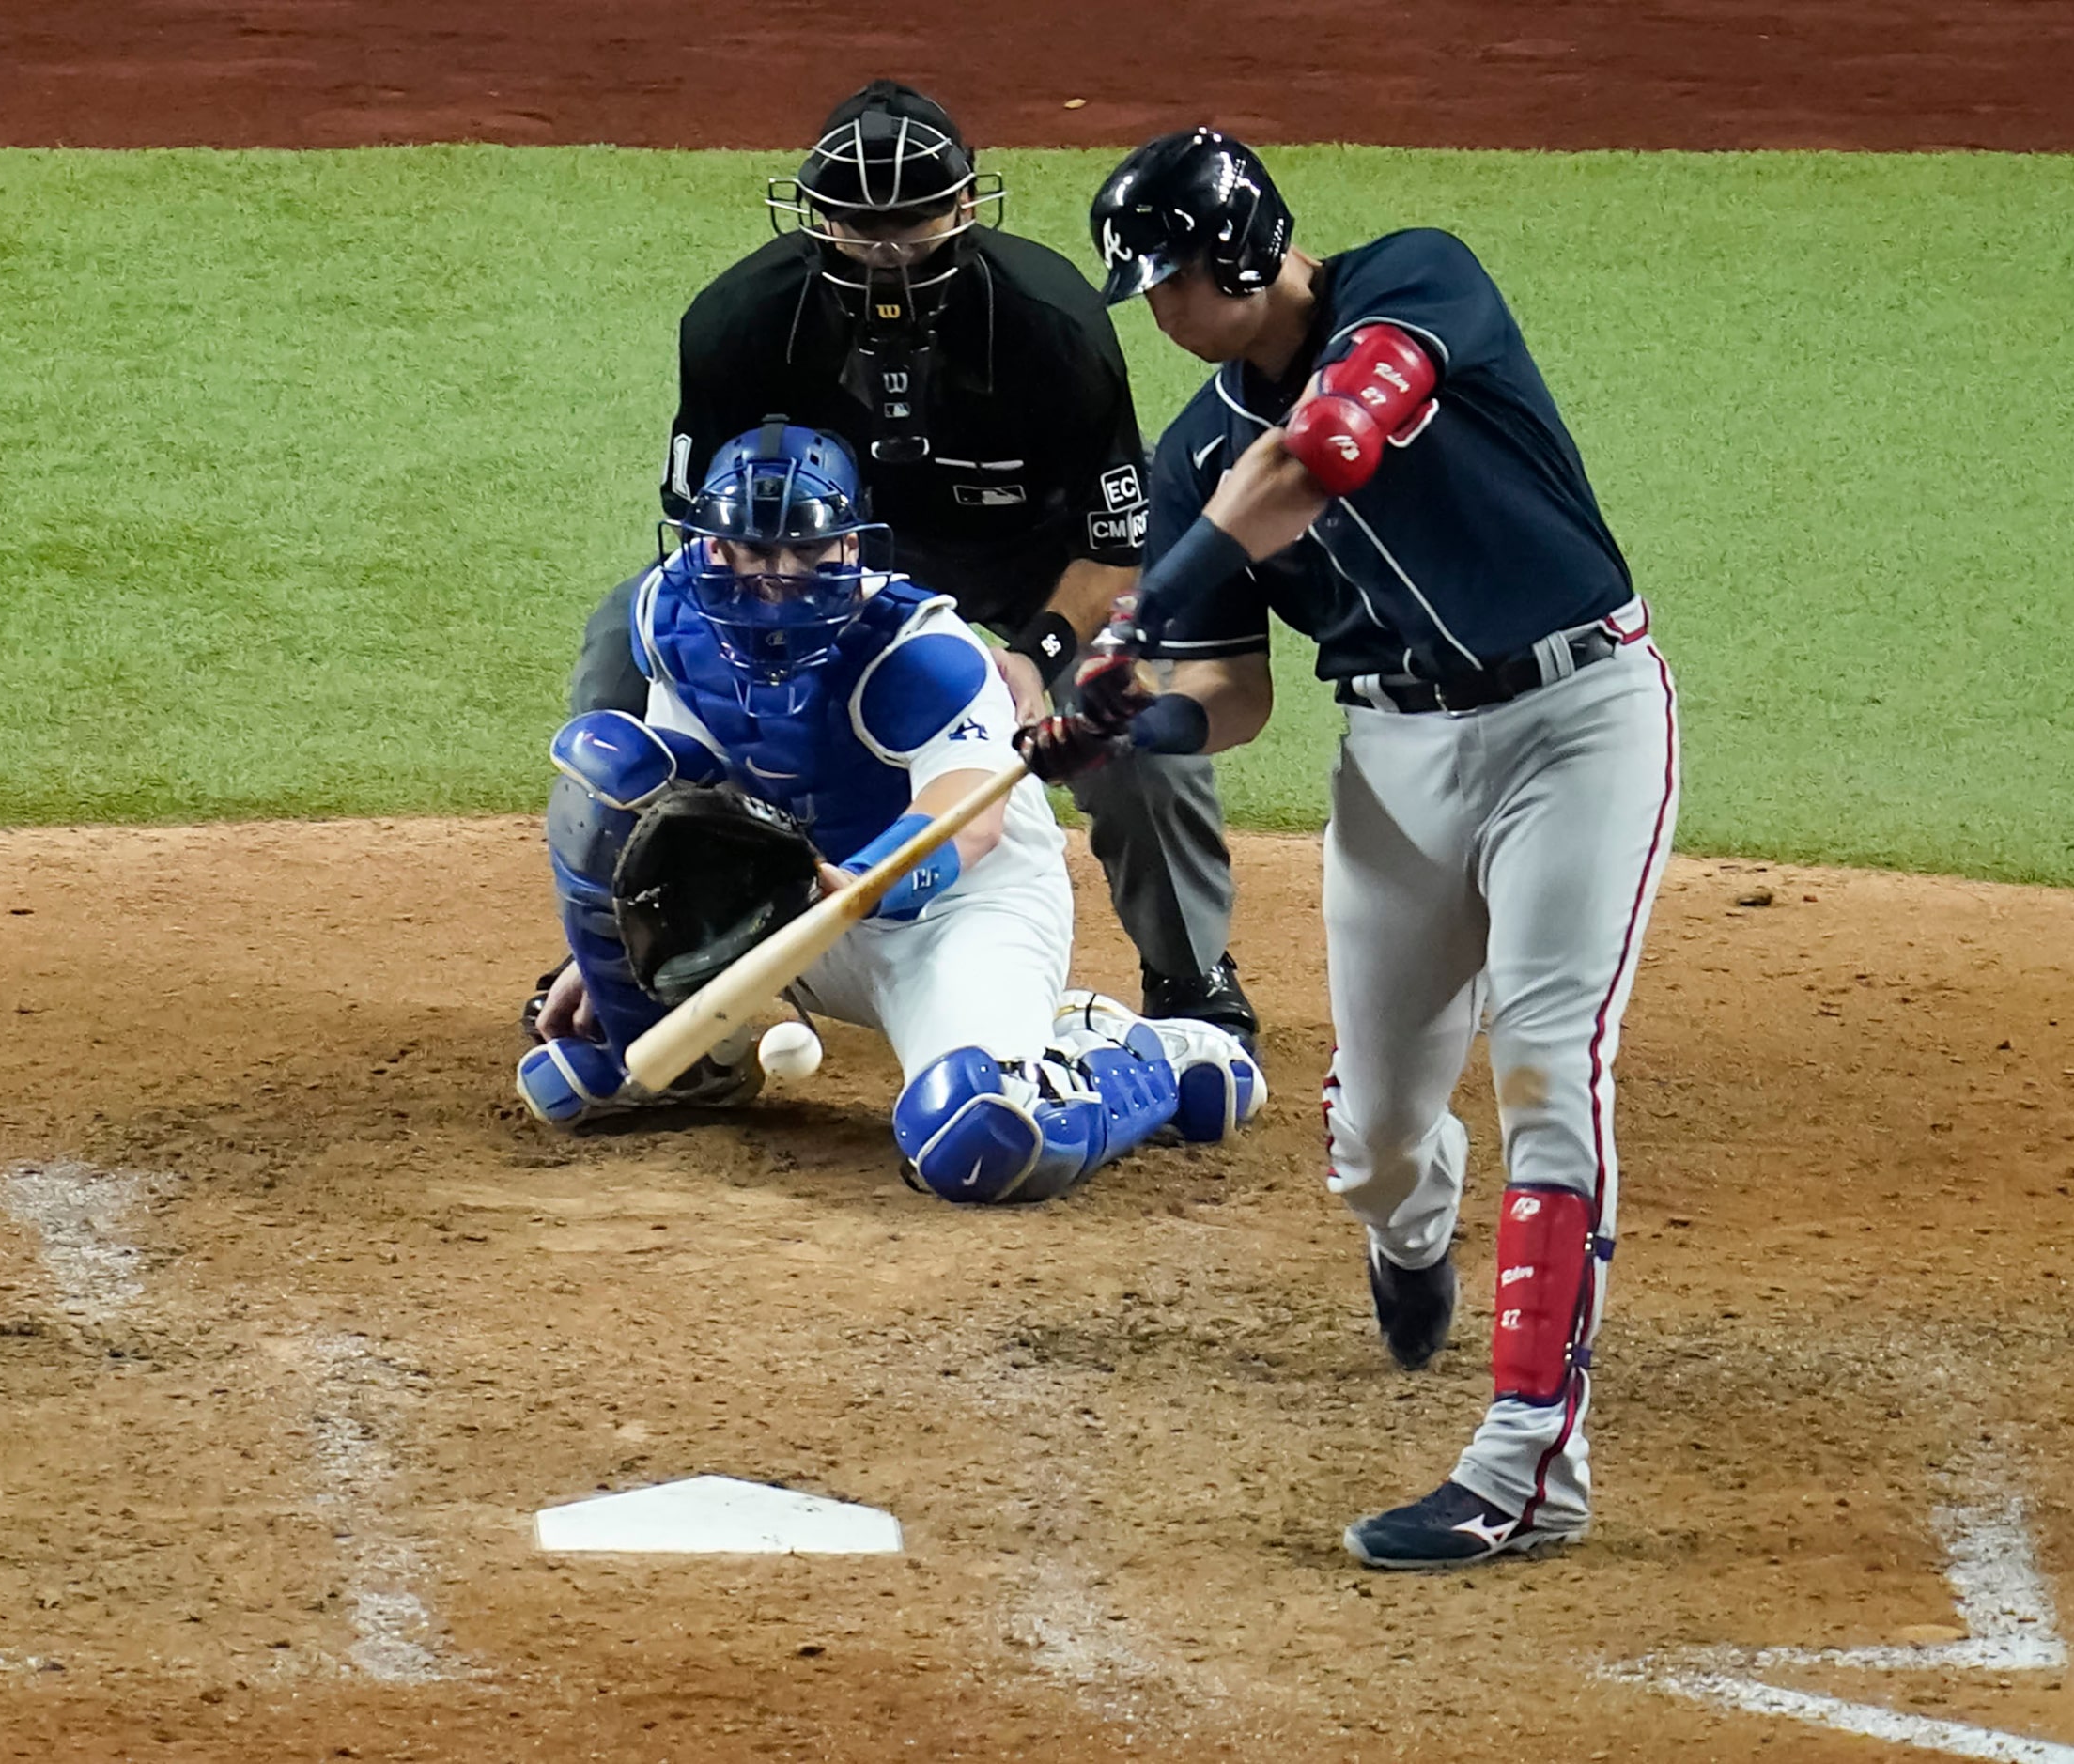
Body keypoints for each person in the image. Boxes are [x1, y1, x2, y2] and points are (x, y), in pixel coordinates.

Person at [1023, 130, 1681, 1567]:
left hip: (1579, 720)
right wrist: (1128, 732)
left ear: (1244, 255)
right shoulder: (1194, 446)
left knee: (1548, 1065)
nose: (1160, 312)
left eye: (1170, 283)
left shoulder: (1415, 283)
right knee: (1376, 1133)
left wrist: (1133, 612)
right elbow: (1234, 694)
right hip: (1398, 759)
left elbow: (1324, 446)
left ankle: (1524, 1464)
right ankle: (1408, 1225)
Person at [550, 79, 1257, 1047]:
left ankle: (1188, 978)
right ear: (812, 217)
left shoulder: (1049, 324)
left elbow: (1116, 545)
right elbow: (701, 544)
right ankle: (632, 935)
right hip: (817, 569)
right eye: (852, 220)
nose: (885, 246)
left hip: (1031, 564)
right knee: (621, 649)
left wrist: (1039, 652)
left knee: (1123, 711)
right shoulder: (738, 324)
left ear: (965, 206)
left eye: (912, 217)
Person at [518, 422, 1263, 1200]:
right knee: (606, 769)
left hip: (951, 916)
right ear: (710, 545)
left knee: (980, 1138)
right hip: (790, 913)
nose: (777, 578)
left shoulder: (917, 649)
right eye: (752, 551)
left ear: (850, 548)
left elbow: (968, 820)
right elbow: (681, 809)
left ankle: (1145, 1056)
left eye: (805, 553)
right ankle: (687, 1061)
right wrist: (622, 956)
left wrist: (865, 882)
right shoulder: (667, 619)